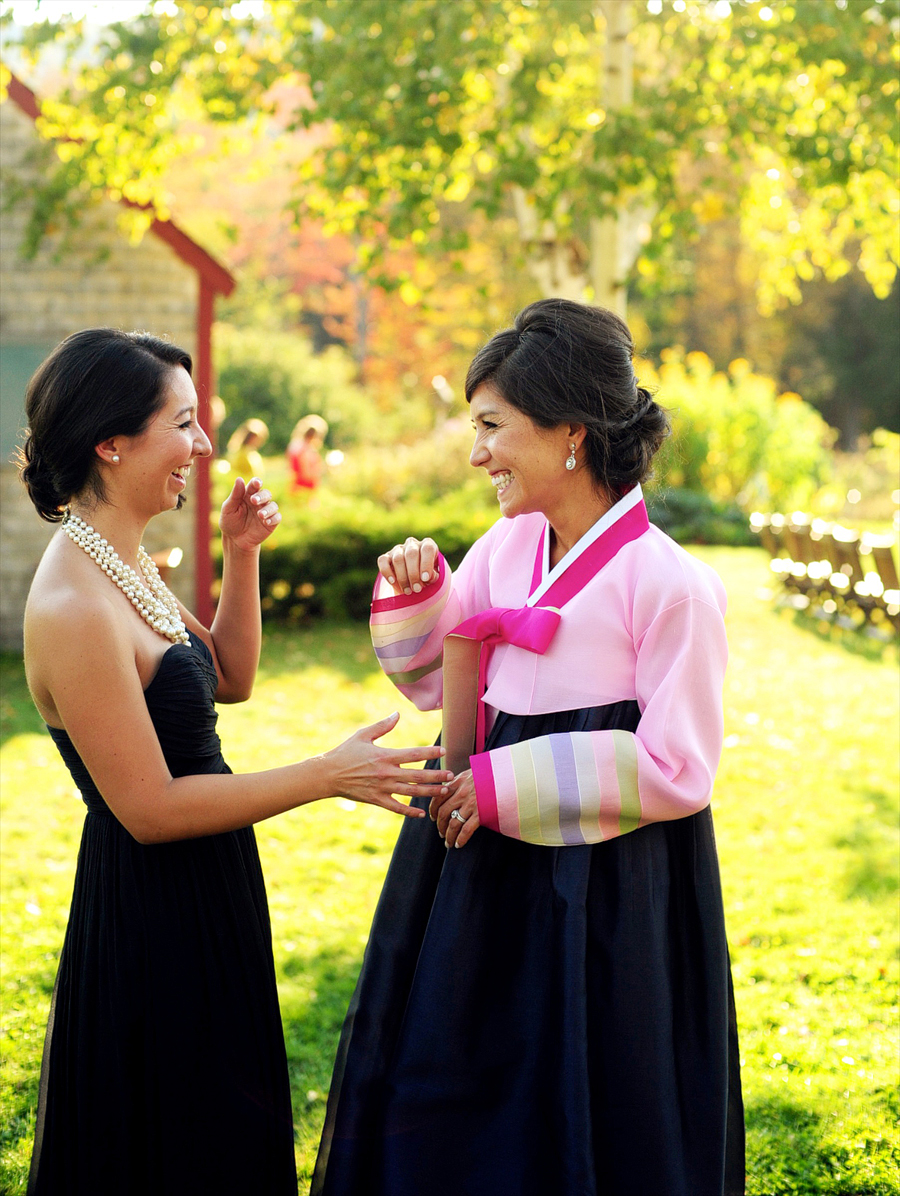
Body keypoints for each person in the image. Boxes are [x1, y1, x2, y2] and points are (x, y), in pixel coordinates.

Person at [312, 300, 744, 1196]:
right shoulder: (507, 548)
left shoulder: (673, 587)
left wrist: (504, 781)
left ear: (571, 434)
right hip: (475, 866)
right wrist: (420, 594)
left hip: (608, 889)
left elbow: (679, 767)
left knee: (588, 1082)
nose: (476, 454)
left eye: (492, 427)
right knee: (459, 1074)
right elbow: (441, 682)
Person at [19, 328, 452, 1196]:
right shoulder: (72, 602)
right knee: (173, 1143)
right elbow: (148, 809)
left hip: (212, 882)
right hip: (151, 913)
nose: (203, 446)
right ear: (112, 440)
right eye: (183, 424)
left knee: (221, 1128)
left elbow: (229, 677)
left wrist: (240, 554)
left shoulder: (124, 558)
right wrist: (327, 775)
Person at [287, 414, 328, 495]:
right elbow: (305, 475)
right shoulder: (305, 451)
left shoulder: (301, 448)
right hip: (302, 492)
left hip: (304, 491)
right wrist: (324, 470)